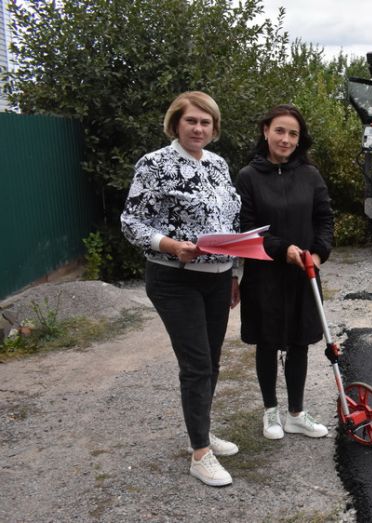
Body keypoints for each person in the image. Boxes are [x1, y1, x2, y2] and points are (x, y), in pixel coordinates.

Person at [121, 91, 241, 487]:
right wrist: (170, 245)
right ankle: (200, 454)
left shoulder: (219, 165)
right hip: (174, 278)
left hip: (218, 277)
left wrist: (236, 272)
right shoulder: (154, 164)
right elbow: (132, 222)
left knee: (213, 359)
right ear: (176, 123)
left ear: (214, 128)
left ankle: (202, 431)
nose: (198, 128)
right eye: (191, 121)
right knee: (196, 364)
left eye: (206, 122)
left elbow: (232, 222)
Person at [236, 105, 335, 442]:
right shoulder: (248, 176)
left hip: (303, 274)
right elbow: (247, 228)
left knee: (299, 343)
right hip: (264, 274)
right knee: (266, 342)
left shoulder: (310, 175)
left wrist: (319, 252)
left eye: (293, 133)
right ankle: (270, 412)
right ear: (266, 131)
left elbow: (324, 217)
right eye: (280, 130)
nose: (286, 139)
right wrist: (283, 248)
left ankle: (296, 413)